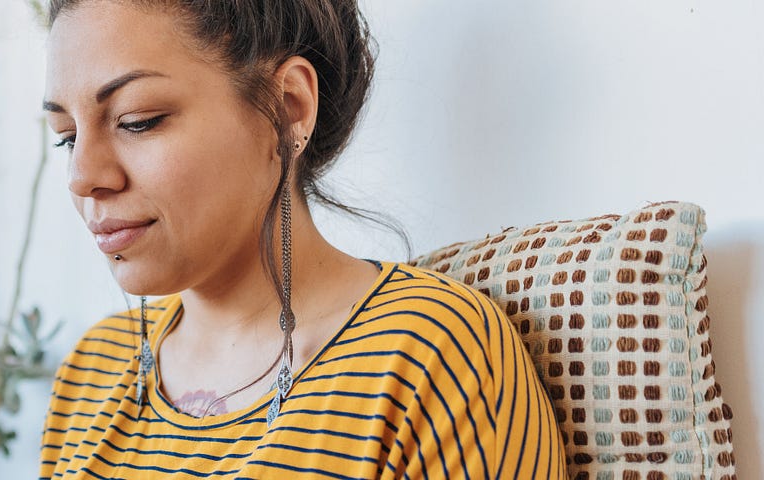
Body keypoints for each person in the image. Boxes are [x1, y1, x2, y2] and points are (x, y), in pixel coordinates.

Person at [37, 1, 567, 478]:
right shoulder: (92, 368)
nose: (82, 176)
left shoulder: (426, 356)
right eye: (67, 137)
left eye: (137, 121)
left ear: (288, 106)